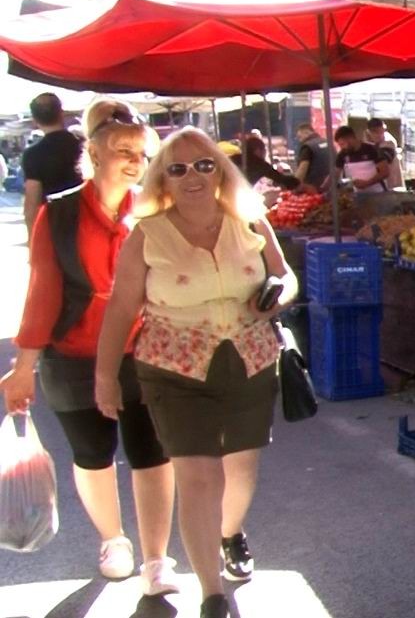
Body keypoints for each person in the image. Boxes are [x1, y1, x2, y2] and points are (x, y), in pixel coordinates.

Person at [95, 128, 296, 618]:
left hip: (249, 360)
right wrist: (103, 377)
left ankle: (228, 534)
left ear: (221, 172)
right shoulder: (147, 234)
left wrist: (277, 295)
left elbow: (286, 275)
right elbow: (121, 308)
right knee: (199, 475)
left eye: (204, 165)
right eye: (178, 168)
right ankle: (211, 591)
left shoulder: (248, 221)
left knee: (240, 470)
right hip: (173, 368)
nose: (193, 176)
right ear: (162, 177)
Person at [1, 100, 178, 595]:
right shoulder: (58, 215)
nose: (133, 161)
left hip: (143, 350)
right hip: (73, 353)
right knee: (93, 453)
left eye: (141, 154)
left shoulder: (153, 210)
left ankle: (158, 558)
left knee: (153, 452)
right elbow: (42, 295)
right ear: (94, 154)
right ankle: (114, 541)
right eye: (122, 150)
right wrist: (22, 368)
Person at [22, 92, 85, 240]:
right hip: (88, 221)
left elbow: (32, 204)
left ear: (35, 120)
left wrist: (33, 242)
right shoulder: (85, 145)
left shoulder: (33, 154)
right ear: (61, 114)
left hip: (54, 227)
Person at [333, 125, 393, 194]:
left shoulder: (372, 149)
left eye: (342, 144)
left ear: (350, 138)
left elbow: (385, 172)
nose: (341, 147)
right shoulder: (342, 154)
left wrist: (367, 183)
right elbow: (335, 174)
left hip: (377, 194)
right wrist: (323, 189)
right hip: (356, 195)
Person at [230, 136, 300, 191]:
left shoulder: (232, 159)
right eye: (264, 150)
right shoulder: (259, 163)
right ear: (258, 150)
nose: (265, 153)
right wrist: (298, 183)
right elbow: (280, 178)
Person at [364, 118, 404, 190]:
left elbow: (382, 160)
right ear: (369, 132)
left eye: (382, 131)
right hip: (378, 187)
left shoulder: (389, 142)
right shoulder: (368, 141)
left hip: (392, 186)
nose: (380, 135)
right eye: (376, 132)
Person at [292, 123, 333, 192]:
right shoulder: (328, 142)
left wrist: (293, 187)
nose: (300, 140)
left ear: (306, 132)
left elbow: (302, 170)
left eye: (300, 137)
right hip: (331, 186)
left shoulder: (307, 147)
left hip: (313, 189)